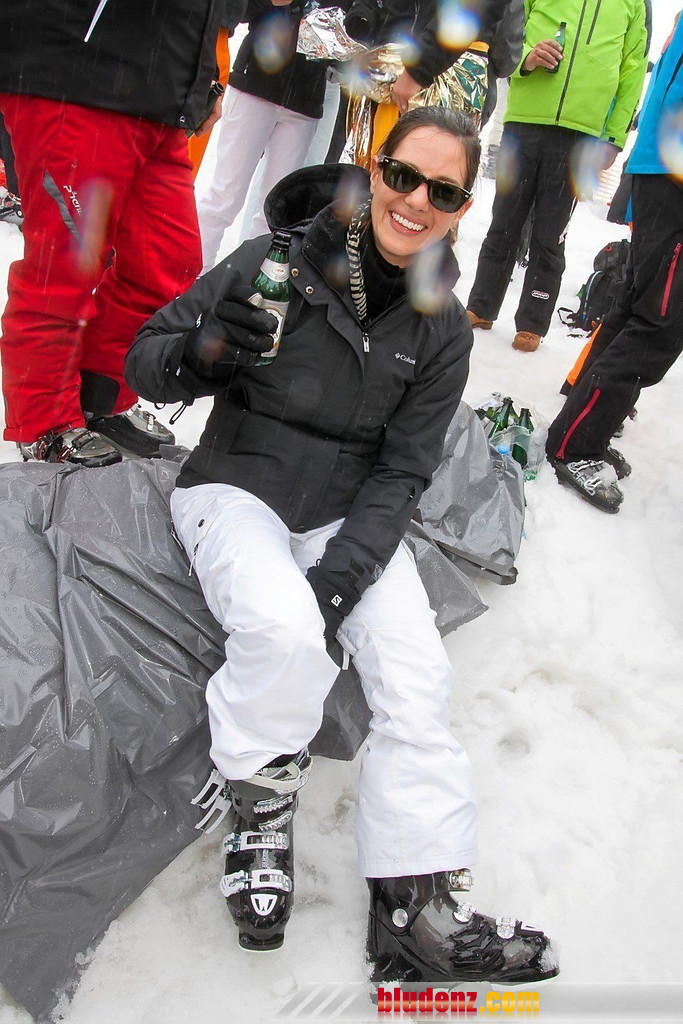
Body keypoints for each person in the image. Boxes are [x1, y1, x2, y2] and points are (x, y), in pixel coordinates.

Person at [125, 107, 559, 983]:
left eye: (443, 192)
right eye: (402, 176)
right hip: (238, 486)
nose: (416, 202)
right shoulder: (273, 260)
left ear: (462, 208)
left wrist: (342, 578)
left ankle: (413, 909)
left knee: (415, 677)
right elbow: (143, 358)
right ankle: (261, 804)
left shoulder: (441, 327)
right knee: (283, 629)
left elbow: (403, 471)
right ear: (372, 167)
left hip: (345, 510)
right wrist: (205, 352)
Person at [0, 0, 223, 465]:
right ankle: (45, 423)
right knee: (65, 268)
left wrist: (199, 77)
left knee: (169, 262)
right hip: (79, 71)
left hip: (161, 88)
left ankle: (97, 394)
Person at [545, 14, 682, 513]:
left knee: (636, 309)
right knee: (658, 325)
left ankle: (583, 427)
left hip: (661, 167)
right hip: (673, 171)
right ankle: (575, 445)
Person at [465, 0, 648, 352]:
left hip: (582, 134)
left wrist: (613, 138)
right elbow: (507, 35)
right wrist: (525, 60)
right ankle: (481, 306)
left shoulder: (633, 5)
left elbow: (633, 70)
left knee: (552, 233)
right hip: (525, 120)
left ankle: (532, 323)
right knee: (504, 221)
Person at [196, 0, 332, 269]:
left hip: (306, 98)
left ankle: (245, 284)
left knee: (275, 212)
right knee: (225, 195)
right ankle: (193, 275)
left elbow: (352, 23)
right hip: (254, 83)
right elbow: (238, 10)